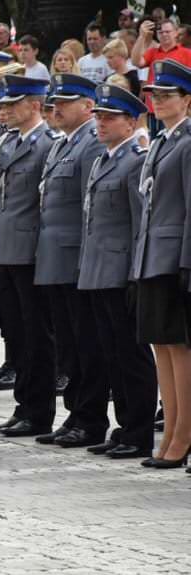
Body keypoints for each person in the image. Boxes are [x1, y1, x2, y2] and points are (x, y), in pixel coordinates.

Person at [0, 75, 59, 437]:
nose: (4, 111)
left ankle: (38, 412)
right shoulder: (5, 141)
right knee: (15, 333)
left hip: (27, 251)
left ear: (35, 105)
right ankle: (23, 405)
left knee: (36, 335)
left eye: (11, 104)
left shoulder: (46, 144)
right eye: (2, 105)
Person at [78, 83, 157, 460]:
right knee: (110, 353)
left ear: (131, 123)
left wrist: (135, 274)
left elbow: (141, 222)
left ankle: (139, 430)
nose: (102, 124)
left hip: (121, 269)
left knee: (131, 355)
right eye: (99, 117)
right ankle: (124, 425)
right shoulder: (103, 159)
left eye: (110, 118)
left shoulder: (135, 160)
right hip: (97, 268)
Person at [30, 74, 105, 448]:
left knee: (85, 344)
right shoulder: (64, 144)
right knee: (69, 345)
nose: (56, 108)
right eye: (54, 102)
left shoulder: (91, 144)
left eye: (65, 102)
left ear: (88, 106)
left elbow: (88, 210)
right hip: (55, 260)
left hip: (76, 260)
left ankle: (90, 418)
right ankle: (75, 413)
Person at [133, 61, 191, 469]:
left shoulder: (187, 143)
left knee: (181, 347)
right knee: (162, 347)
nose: (159, 101)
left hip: (175, 259)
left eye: (167, 95)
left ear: (187, 100)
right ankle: (171, 430)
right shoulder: (160, 141)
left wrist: (187, 261)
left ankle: (184, 435)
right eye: (155, 95)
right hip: (153, 256)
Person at [131, 18, 191, 135]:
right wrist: (142, 36)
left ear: (176, 32)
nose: (164, 35)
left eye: (167, 32)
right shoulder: (153, 52)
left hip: (178, 109)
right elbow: (136, 61)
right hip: (155, 108)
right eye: (160, 32)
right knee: (156, 142)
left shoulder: (187, 53)